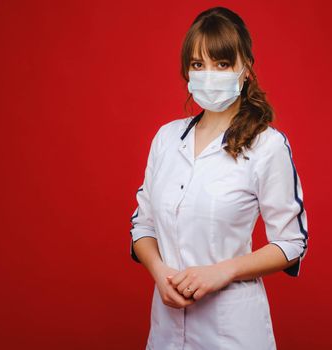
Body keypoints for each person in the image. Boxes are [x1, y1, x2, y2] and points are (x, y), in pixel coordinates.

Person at [129, 6, 309, 350]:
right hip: (165, 331)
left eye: (222, 64)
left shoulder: (267, 146)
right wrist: (159, 273)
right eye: (198, 64)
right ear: (187, 72)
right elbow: (143, 226)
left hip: (232, 333)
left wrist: (220, 272)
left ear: (245, 71)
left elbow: (291, 244)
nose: (209, 74)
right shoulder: (166, 139)